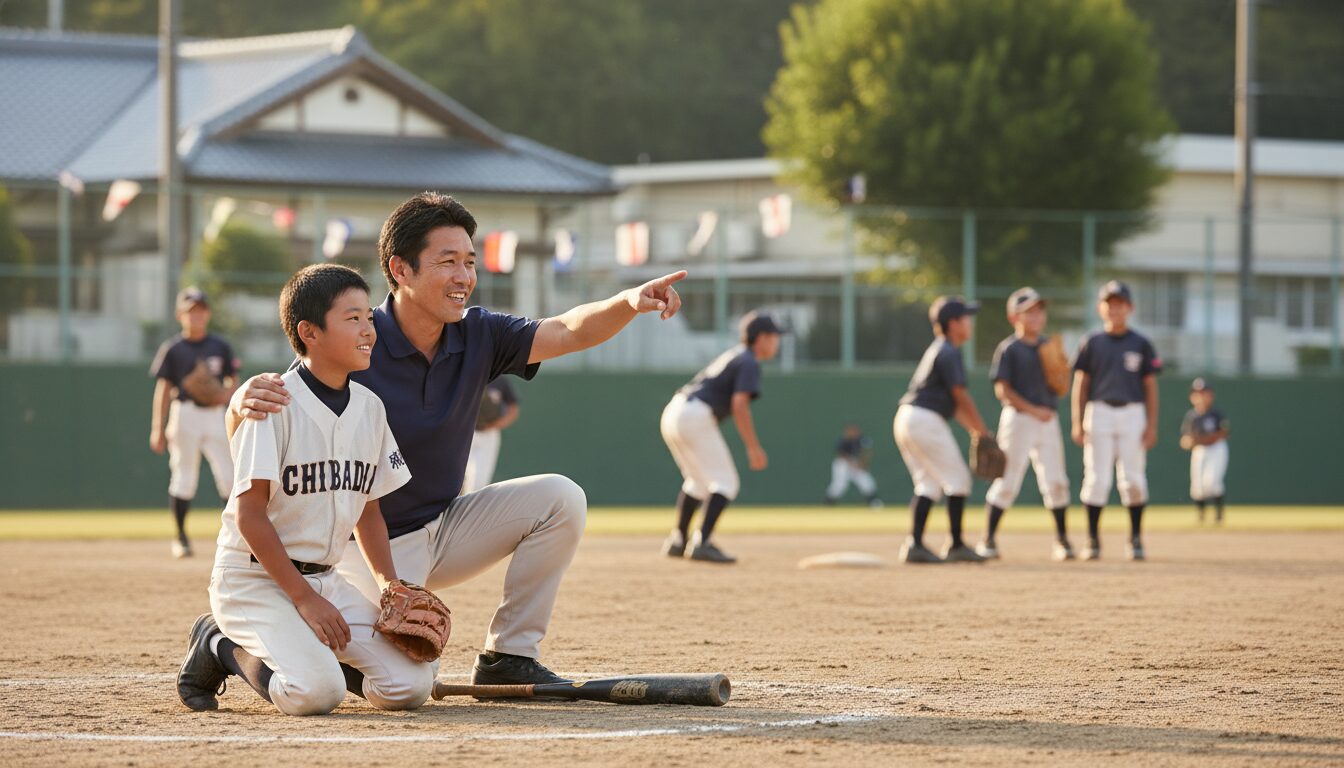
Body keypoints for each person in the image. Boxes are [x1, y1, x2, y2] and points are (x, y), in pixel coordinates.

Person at [224, 192, 684, 689]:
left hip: (445, 524)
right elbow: (282, 407)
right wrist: (236, 403)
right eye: (448, 262)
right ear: (400, 269)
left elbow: (567, 331)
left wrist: (629, 301)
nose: (464, 275)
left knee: (560, 498)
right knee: (373, 673)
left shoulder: (479, 332)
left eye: (469, 261)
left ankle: (508, 655)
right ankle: (226, 641)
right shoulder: (359, 335)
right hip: (364, 546)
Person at [175, 263, 433, 715]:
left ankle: (317, 658)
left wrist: (389, 584)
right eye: (351, 318)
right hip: (253, 579)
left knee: (411, 687)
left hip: (325, 580)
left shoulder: (370, 408)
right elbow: (248, 514)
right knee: (315, 694)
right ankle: (217, 642)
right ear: (308, 332)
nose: (368, 330)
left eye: (368, 318)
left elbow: (369, 510)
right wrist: (304, 599)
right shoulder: (273, 401)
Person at [659, 311, 780, 564]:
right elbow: (739, 405)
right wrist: (753, 447)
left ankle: (678, 540)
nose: (777, 342)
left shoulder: (735, 354)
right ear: (761, 338)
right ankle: (702, 542)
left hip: (675, 411)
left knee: (698, 482)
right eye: (774, 336)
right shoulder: (749, 361)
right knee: (726, 482)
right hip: (694, 415)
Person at [977, 287, 1075, 561]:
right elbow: (1003, 391)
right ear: (1014, 317)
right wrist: (1033, 409)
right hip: (1019, 420)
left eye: (1038, 310)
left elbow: (1060, 386)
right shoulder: (1009, 349)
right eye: (1028, 311)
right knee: (1007, 481)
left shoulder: (1049, 347)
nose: (1035, 316)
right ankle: (988, 539)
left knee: (1056, 481)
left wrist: (1063, 375)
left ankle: (1062, 540)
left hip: (1048, 420)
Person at [893, 296, 993, 564]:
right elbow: (960, 396)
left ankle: (915, 544)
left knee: (928, 483)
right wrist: (983, 431)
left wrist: (976, 431)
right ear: (953, 323)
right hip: (924, 418)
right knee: (958, 479)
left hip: (907, 417)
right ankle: (957, 544)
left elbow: (954, 403)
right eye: (965, 318)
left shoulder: (940, 349)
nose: (970, 323)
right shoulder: (949, 351)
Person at [1071, 280, 1162, 561]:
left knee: (1133, 479)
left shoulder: (1141, 343)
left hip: (1133, 412)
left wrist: (1151, 425)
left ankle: (1135, 539)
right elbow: (1081, 384)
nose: (1115, 309)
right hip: (1099, 411)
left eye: (1120, 304)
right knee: (1097, 478)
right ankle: (1092, 539)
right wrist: (1077, 421)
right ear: (1101, 308)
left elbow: (1150, 387)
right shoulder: (1092, 342)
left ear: (1130, 308)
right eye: (1109, 304)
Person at [148, 287, 238, 558]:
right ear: (180, 316)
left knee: (230, 478)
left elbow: (233, 381)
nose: (196, 316)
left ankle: (235, 538)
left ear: (207, 313)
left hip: (215, 414)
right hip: (184, 412)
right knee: (184, 476)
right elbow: (163, 389)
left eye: (200, 310)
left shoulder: (220, 346)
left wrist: (225, 396)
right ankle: (181, 537)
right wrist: (157, 428)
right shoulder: (173, 349)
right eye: (190, 312)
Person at [1180, 377, 1230, 524]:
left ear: (1211, 395)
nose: (1200, 396)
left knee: (1212, 482)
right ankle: (1201, 517)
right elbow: (1185, 440)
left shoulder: (1216, 414)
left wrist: (1201, 439)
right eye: (1197, 393)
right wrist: (1189, 442)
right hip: (1199, 451)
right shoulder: (1191, 416)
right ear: (1192, 396)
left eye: (1204, 392)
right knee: (1198, 486)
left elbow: (1223, 433)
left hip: (1216, 449)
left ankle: (1218, 516)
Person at [462, 378, 520, 493]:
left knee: (480, 479)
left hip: (489, 433)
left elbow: (513, 408)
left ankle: (474, 506)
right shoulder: (466, 375)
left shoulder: (500, 380)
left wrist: (497, 424)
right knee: (461, 475)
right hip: (467, 430)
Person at [824, 423, 881, 508]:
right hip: (842, 464)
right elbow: (842, 455)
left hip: (855, 462)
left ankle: (873, 501)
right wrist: (853, 465)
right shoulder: (843, 441)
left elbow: (867, 452)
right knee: (840, 485)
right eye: (851, 430)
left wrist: (863, 464)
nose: (853, 432)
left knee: (866, 480)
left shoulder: (861, 439)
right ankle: (828, 503)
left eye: (855, 430)